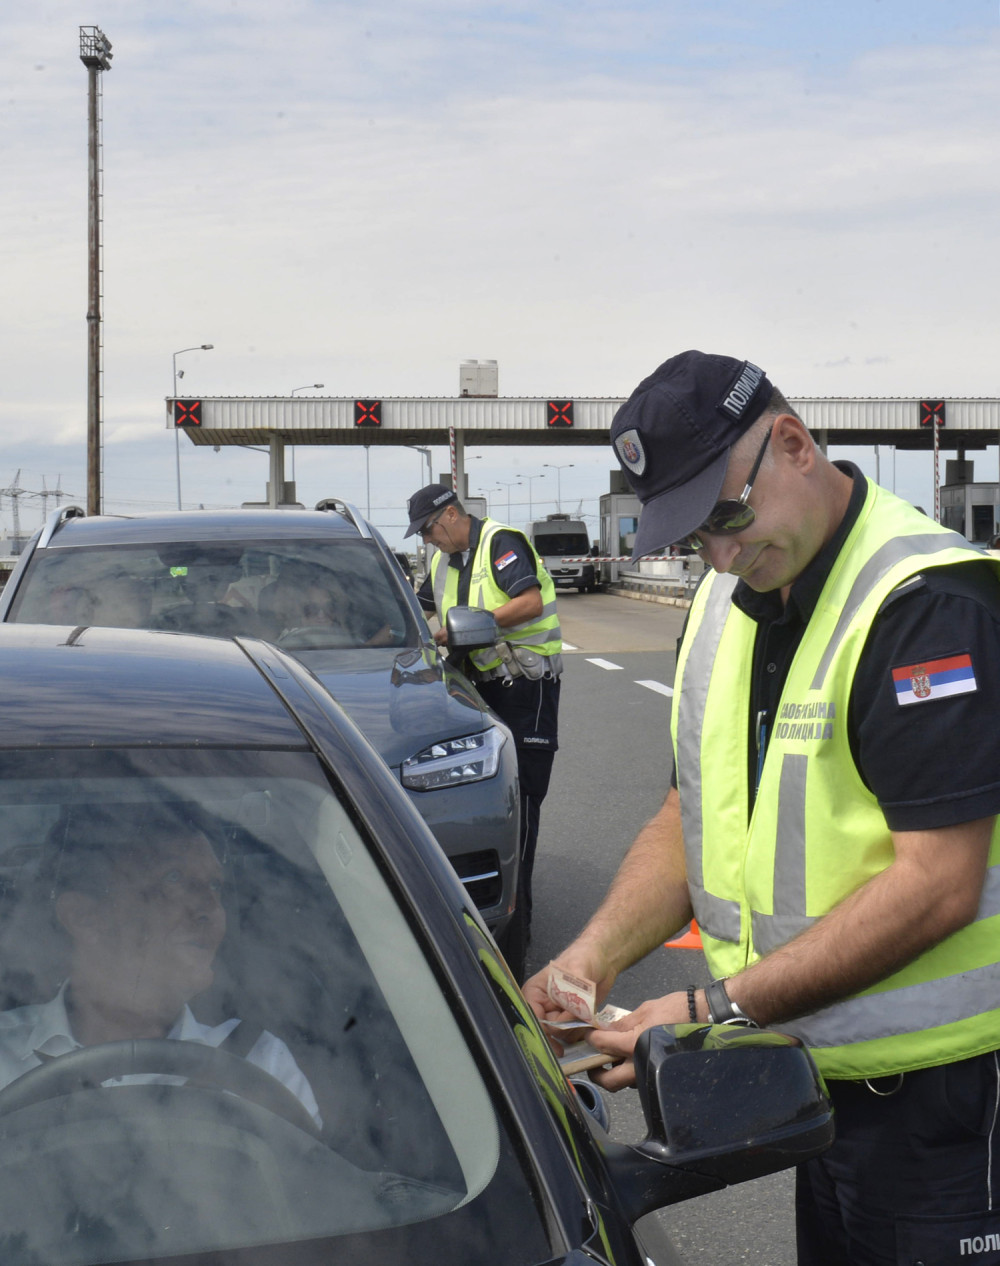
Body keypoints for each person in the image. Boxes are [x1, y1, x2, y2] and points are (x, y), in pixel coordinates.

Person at [523, 350, 1000, 1264]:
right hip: (815, 1087)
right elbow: (688, 814)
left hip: (947, 1109)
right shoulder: (727, 600)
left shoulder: (925, 606)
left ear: (792, 444)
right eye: (693, 536)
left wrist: (711, 1009)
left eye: (729, 516)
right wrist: (592, 959)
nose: (722, 554)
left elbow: (939, 885)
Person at [0, 804, 320, 1126]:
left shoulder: (262, 1065)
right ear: (85, 919)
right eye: (174, 878)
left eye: (215, 886)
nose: (210, 907)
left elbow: (316, 1176)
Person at [404, 484, 563, 941]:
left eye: (431, 530)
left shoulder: (501, 542)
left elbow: (530, 602)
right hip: (474, 689)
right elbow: (419, 608)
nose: (428, 540)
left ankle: (520, 930)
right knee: (480, 799)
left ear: (452, 514)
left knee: (523, 802)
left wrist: (470, 627)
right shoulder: (440, 559)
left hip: (525, 688)